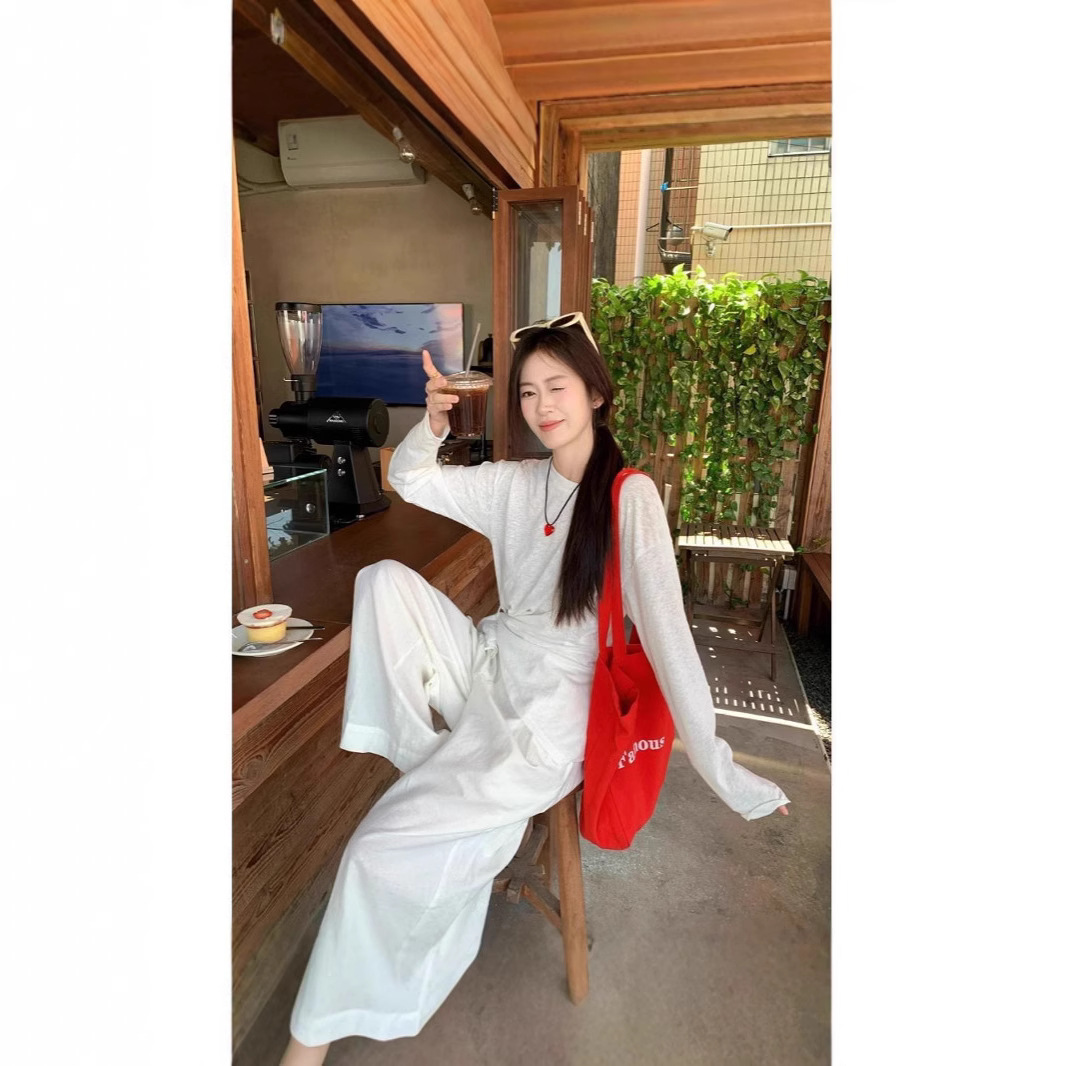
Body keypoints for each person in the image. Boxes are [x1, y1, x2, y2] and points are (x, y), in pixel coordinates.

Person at [279, 314, 789, 1066]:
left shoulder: (629, 498)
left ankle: (306, 1046)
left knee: (373, 851)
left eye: (558, 387)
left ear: (595, 393)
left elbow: (670, 638)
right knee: (381, 579)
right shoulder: (517, 483)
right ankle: (428, 759)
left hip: (548, 714)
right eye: (527, 392)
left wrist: (721, 765)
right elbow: (411, 480)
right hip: (491, 665)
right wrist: (434, 423)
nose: (542, 405)